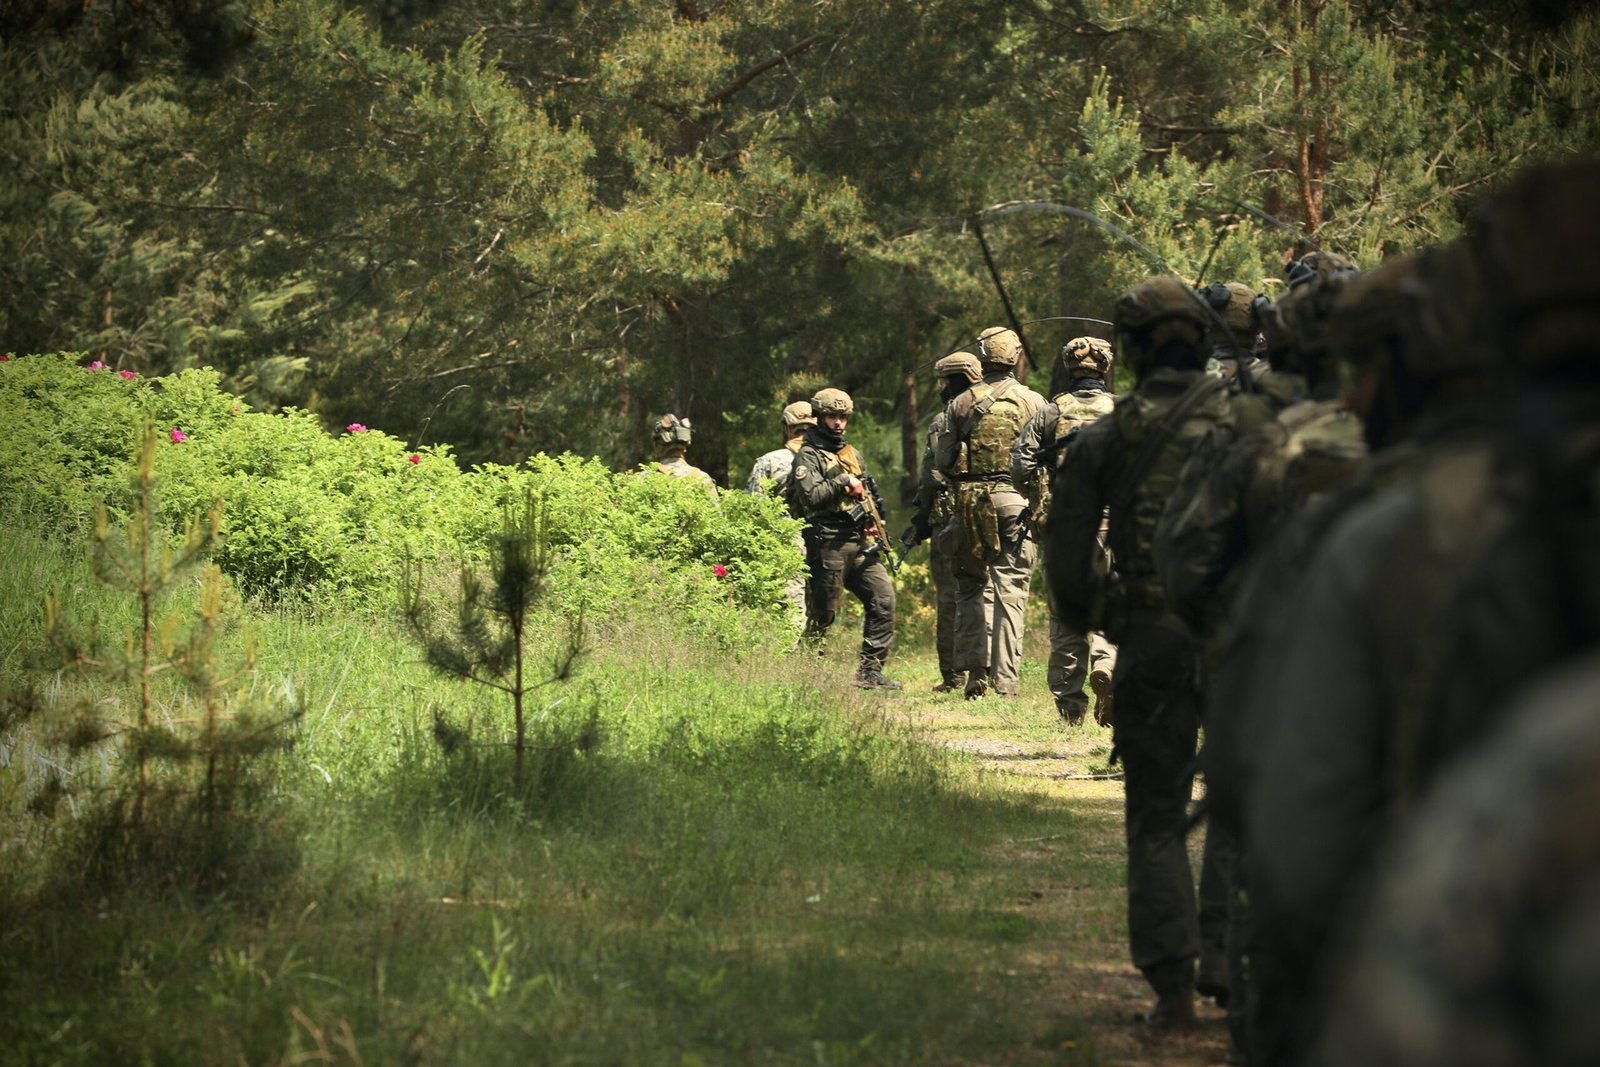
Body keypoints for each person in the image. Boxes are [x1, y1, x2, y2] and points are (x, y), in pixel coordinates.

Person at [1044, 277, 1236, 1030]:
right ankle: (1229, 954)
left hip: (1153, 639)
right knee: (1243, 806)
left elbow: (1067, 556)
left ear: (1130, 350)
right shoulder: (1251, 421)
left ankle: (1172, 989)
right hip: (1243, 641)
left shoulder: (1106, 438)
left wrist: (1108, 614)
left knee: (1156, 815)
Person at [931, 326, 1047, 699]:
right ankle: (1007, 681)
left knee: (969, 585)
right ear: (1015, 357)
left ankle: (974, 675)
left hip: (968, 504)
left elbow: (943, 459)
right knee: (1010, 588)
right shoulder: (1034, 402)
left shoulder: (961, 403)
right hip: (1014, 500)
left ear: (983, 357)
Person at [1010, 336, 1119, 725]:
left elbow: (1020, 466)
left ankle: (1070, 707)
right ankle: (1107, 663)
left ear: (1068, 368)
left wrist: (1041, 499)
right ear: (1105, 368)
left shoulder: (1050, 412)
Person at [786, 388, 902, 690]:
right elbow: (811, 496)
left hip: (858, 541)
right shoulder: (807, 455)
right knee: (824, 612)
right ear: (819, 418)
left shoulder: (850, 453)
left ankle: (869, 672)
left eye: (843, 417)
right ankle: (803, 672)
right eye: (832, 416)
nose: (838, 423)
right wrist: (842, 481)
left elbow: (867, 490)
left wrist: (875, 519)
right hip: (828, 541)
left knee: (883, 599)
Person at [903, 352, 984, 692]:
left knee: (951, 596)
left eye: (943, 382)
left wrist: (919, 522)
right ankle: (989, 671)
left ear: (955, 381)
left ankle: (954, 676)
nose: (939, 389)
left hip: (950, 517)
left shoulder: (944, 419)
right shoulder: (1000, 409)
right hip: (991, 512)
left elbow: (931, 476)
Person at [746, 400, 817, 628]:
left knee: (791, 608)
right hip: (824, 544)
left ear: (788, 427)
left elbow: (753, 508)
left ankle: (790, 657)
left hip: (785, 543)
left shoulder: (769, 461)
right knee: (819, 606)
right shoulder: (828, 460)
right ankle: (814, 654)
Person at [648, 413, 718, 497]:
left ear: (657, 446)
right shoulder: (702, 478)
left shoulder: (647, 479)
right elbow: (715, 509)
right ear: (684, 447)